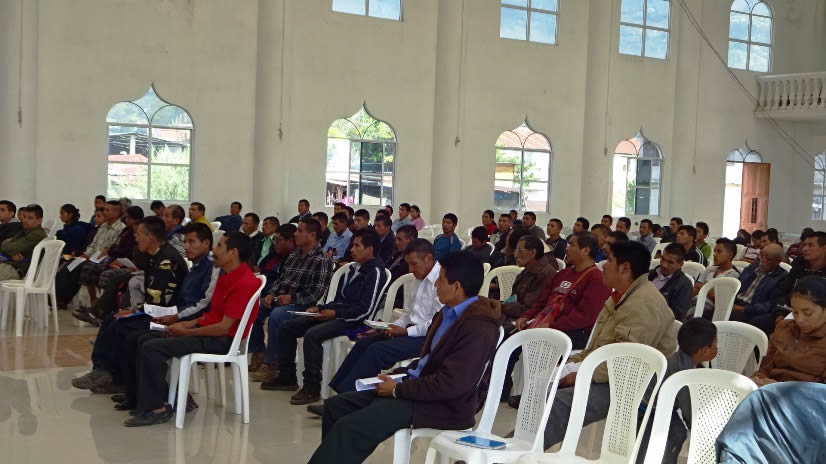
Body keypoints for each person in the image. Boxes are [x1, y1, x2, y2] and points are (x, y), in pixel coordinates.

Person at [309, 251, 501, 464]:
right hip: (417, 389)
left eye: (441, 279)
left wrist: (397, 390)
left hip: (444, 405)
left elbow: (452, 384)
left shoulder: (479, 328)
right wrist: (398, 376)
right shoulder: (447, 313)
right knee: (336, 407)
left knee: (351, 427)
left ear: (457, 287)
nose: (436, 284)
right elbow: (428, 361)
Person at [540, 240, 676, 450]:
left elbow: (626, 363)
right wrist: (572, 363)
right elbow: (597, 348)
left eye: (610, 260)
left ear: (625, 267)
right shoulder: (621, 296)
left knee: (560, 402)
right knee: (543, 382)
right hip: (610, 373)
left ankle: (523, 452)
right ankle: (520, 446)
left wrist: (580, 374)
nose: (603, 266)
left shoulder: (641, 303)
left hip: (634, 386)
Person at [123, 231, 261, 427]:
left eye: (219, 246)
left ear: (233, 252)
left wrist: (186, 331)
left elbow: (223, 328)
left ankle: (157, 408)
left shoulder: (244, 282)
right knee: (144, 338)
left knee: (153, 348)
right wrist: (182, 324)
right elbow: (211, 316)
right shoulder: (226, 276)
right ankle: (149, 399)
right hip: (210, 332)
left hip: (222, 341)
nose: (214, 251)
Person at [267, 229, 388, 405]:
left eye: (357, 246)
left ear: (370, 249)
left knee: (312, 335)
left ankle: (312, 387)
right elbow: (339, 300)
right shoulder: (353, 269)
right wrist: (321, 308)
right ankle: (287, 376)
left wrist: (335, 314)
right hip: (338, 315)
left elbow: (366, 310)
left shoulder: (376, 272)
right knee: (288, 327)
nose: (352, 249)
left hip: (354, 322)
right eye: (352, 245)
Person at [71, 216, 189, 394]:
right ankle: (104, 372)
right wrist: (133, 309)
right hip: (155, 309)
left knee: (121, 325)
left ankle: (114, 377)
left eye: (139, 234)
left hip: (167, 316)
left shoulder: (166, 260)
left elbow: (160, 301)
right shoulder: (154, 256)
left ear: (150, 237)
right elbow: (151, 297)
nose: (135, 237)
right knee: (112, 319)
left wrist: (136, 310)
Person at [115, 222, 221, 413]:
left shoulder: (211, 267)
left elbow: (203, 304)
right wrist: (165, 314)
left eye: (192, 242)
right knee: (127, 331)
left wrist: (176, 317)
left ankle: (159, 399)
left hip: (192, 323)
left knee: (139, 339)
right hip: (177, 316)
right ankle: (135, 394)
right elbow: (181, 299)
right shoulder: (196, 266)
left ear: (206, 243)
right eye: (185, 242)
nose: (186, 247)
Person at [323, 239, 443, 402]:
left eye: (414, 264)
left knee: (376, 351)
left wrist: (406, 331)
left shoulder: (442, 281)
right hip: (410, 331)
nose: (410, 270)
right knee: (364, 343)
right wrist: (391, 327)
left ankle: (351, 401)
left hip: (428, 338)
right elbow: (407, 314)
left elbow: (437, 322)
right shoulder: (419, 277)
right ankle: (340, 396)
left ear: (428, 258)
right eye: (408, 264)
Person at [249, 218, 333, 383]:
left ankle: (273, 365)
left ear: (312, 235)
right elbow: (281, 280)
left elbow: (316, 293)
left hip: (305, 305)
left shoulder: (321, 259)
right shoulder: (294, 254)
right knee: (254, 308)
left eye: (300, 231)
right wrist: (271, 293)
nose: (295, 234)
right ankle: (259, 352)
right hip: (282, 299)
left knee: (277, 316)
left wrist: (292, 298)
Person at [635, 318, 719, 464]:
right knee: (676, 433)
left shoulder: (681, 358)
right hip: (647, 412)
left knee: (677, 431)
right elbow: (688, 409)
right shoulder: (684, 374)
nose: (717, 347)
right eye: (716, 344)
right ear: (705, 350)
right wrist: (701, 430)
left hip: (655, 407)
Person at [515, 231, 611, 349]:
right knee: (511, 339)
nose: (566, 249)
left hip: (571, 334)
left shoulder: (597, 279)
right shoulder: (564, 273)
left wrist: (551, 326)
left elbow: (585, 317)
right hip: (547, 325)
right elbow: (542, 300)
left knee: (518, 348)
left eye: (572, 245)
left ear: (585, 250)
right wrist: (527, 316)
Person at [751, 276, 826, 386]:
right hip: (768, 388)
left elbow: (822, 391)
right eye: (795, 312)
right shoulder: (784, 328)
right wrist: (758, 379)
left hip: (805, 395)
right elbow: (765, 368)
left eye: (808, 313)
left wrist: (780, 388)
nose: (799, 320)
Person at [55, 200, 126, 306]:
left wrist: (91, 257)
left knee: (81, 267)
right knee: (69, 264)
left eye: (107, 210)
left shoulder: (121, 228)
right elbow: (93, 244)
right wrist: (86, 254)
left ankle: (66, 299)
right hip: (92, 256)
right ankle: (58, 296)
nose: (104, 212)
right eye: (104, 210)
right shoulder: (103, 226)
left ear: (116, 213)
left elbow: (110, 249)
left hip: (104, 259)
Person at [731, 244, 788, 333]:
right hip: (736, 303)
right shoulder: (752, 268)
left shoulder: (782, 277)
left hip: (752, 310)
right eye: (761, 255)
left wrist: (744, 309)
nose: (762, 260)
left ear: (778, 261)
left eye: (768, 258)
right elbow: (737, 287)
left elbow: (771, 304)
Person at [500, 235, 557, 325]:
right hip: (511, 312)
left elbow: (527, 309)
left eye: (520, 251)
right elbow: (515, 297)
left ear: (533, 252)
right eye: (515, 250)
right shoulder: (528, 268)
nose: (515, 255)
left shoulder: (544, 274)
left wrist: (500, 306)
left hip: (522, 321)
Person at [771, 231, 826, 322]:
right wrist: (780, 313)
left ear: (824, 248)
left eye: (810, 245)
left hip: (818, 319)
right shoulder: (799, 264)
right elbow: (783, 291)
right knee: (760, 321)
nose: (804, 249)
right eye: (804, 245)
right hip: (790, 311)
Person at [0, 204, 48, 281]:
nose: (25, 220)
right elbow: (5, 245)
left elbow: (9, 247)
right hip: (10, 265)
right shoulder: (27, 230)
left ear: (39, 220)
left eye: (30, 218)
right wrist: (12, 253)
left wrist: (10, 248)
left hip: (15, 269)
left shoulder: (37, 234)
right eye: (24, 217)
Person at [693, 238, 740, 317]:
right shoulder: (709, 269)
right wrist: (708, 290)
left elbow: (718, 296)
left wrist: (702, 288)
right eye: (714, 251)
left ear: (730, 255)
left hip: (711, 310)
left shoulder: (734, 275)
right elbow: (696, 287)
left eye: (719, 251)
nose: (714, 254)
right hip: (697, 301)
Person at [648, 243, 693, 321]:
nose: (664, 265)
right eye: (662, 259)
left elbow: (677, 316)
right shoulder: (649, 274)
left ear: (680, 264)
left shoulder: (685, 285)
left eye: (670, 262)